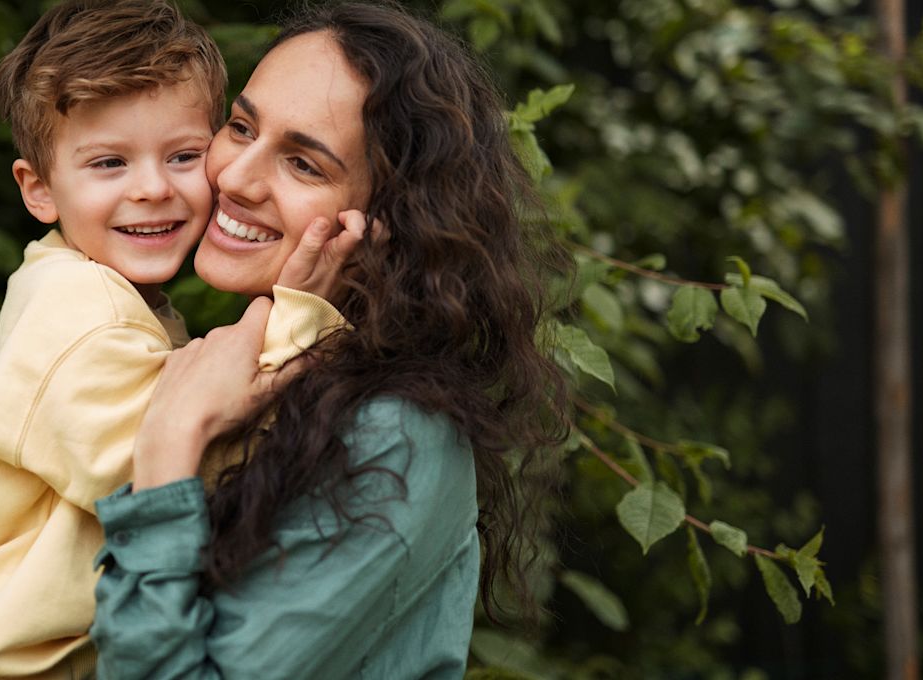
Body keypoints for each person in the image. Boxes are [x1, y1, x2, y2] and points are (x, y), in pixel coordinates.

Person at [0, 1, 362, 678]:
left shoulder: (104, 293)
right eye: (108, 164)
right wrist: (305, 314)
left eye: (183, 155)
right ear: (38, 189)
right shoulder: (78, 309)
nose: (152, 189)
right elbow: (177, 458)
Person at [87, 2, 569, 678]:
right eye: (241, 126)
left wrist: (169, 442)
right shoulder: (259, 364)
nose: (233, 176)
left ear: (391, 221)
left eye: (303, 165)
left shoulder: (398, 436)